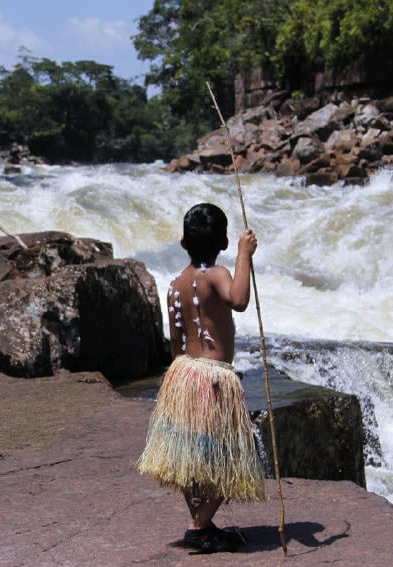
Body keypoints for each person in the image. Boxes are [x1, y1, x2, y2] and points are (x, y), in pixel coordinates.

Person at [137, 203, 266, 554]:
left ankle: (203, 523)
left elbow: (176, 342)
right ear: (223, 242)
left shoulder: (176, 285)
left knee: (190, 456)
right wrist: (245, 255)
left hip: (183, 374)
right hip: (212, 377)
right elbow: (239, 299)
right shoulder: (216, 274)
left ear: (182, 243)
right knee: (236, 455)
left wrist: (181, 383)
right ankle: (198, 526)